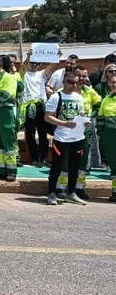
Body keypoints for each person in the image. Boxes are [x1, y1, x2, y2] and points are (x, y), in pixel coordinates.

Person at [44, 70, 89, 205]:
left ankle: (71, 192)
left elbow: (81, 114)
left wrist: (85, 123)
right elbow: (47, 117)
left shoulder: (79, 97)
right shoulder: (56, 97)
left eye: (77, 82)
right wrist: (63, 123)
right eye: (70, 82)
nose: (74, 85)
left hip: (77, 137)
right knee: (57, 166)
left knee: (74, 167)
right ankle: (52, 192)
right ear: (64, 82)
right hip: (61, 137)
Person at [60, 66, 101, 198]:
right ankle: (61, 188)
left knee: (82, 161)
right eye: (79, 76)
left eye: (85, 76)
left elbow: (99, 104)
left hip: (84, 132)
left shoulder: (90, 91)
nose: (82, 79)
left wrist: (91, 115)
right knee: (65, 161)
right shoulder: (62, 92)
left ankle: (79, 188)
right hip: (66, 132)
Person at [20, 50, 60, 166]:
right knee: (30, 133)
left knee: (43, 133)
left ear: (39, 65)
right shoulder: (23, 74)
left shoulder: (42, 74)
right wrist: (28, 57)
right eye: (32, 63)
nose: (33, 65)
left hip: (41, 106)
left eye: (36, 63)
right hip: (28, 106)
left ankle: (43, 157)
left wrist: (57, 55)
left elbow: (52, 66)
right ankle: (34, 157)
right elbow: (23, 67)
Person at [95, 73, 116, 202]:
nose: (113, 84)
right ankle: (115, 192)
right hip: (109, 138)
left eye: (115, 82)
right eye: (112, 82)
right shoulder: (106, 99)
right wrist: (102, 135)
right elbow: (100, 119)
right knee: (114, 166)